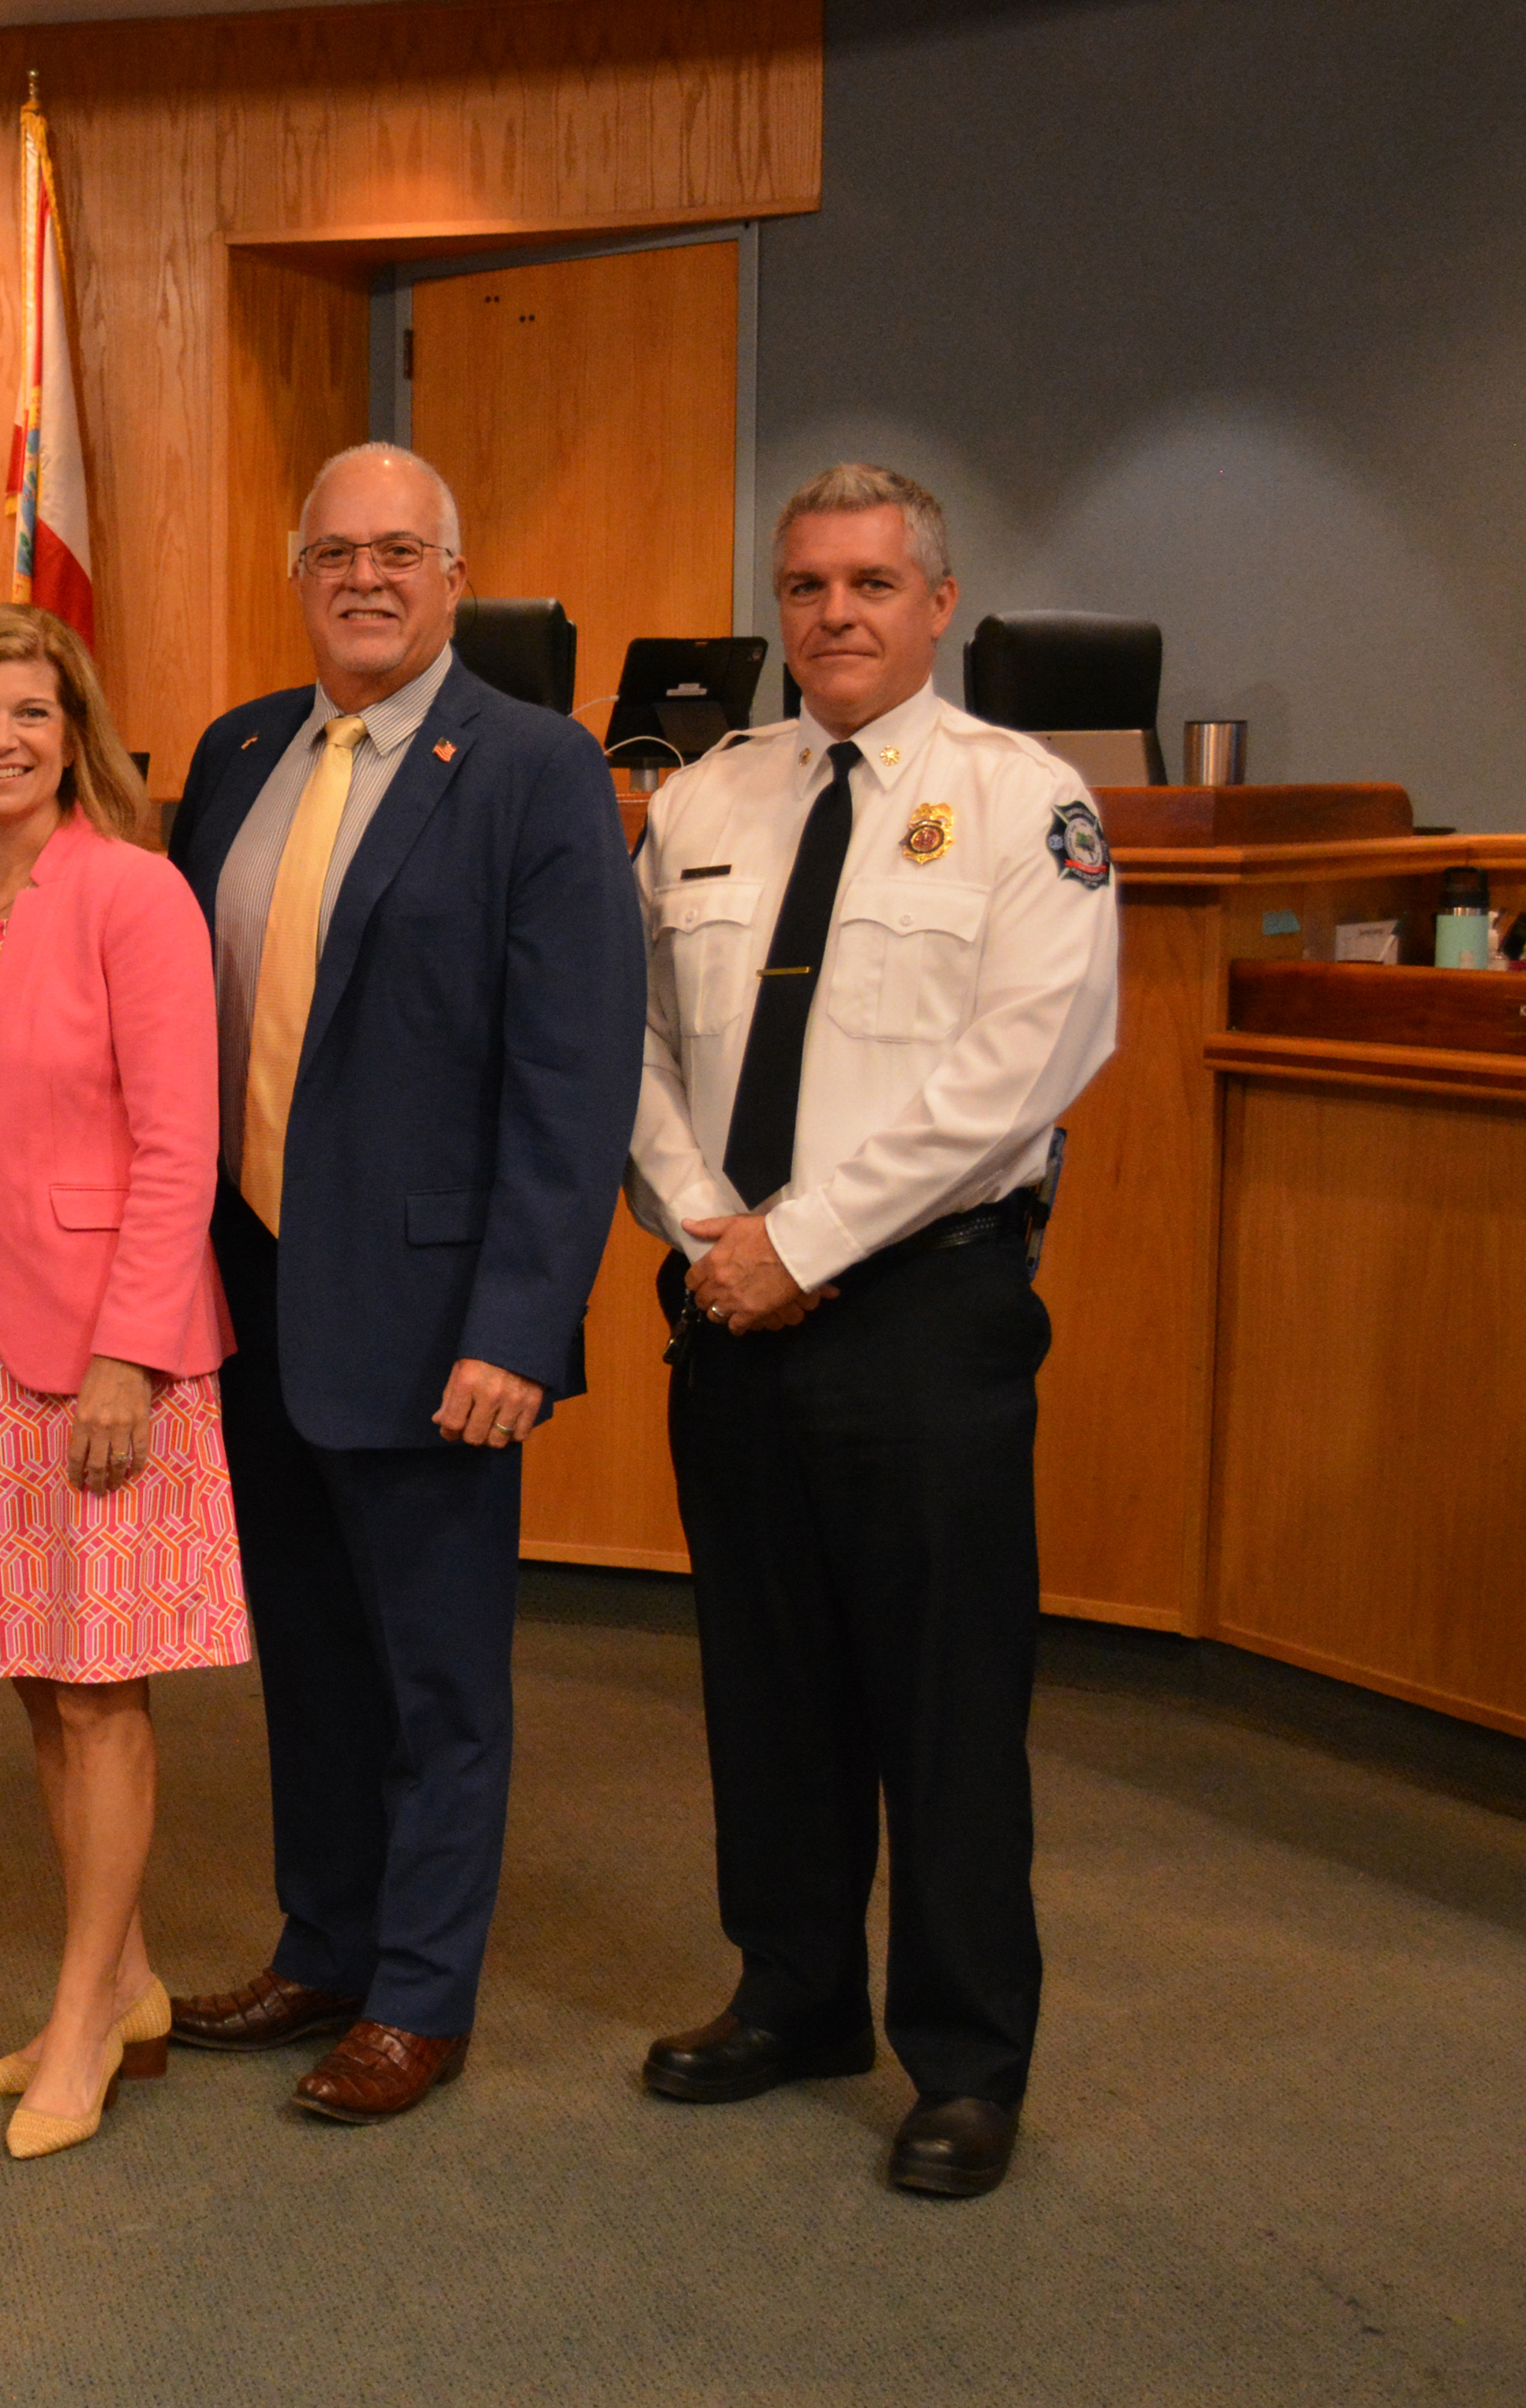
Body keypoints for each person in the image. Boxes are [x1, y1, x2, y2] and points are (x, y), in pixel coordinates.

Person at [625, 463, 1118, 2199]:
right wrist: (710, 1227)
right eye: (807, 585)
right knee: (764, 1679)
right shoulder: (708, 801)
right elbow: (639, 1049)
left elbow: (1023, 1072)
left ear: (937, 602)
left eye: (869, 584)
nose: (834, 614)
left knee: (945, 1699)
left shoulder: (1024, 802)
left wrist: (807, 1239)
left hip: (926, 1312)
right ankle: (796, 1994)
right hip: (729, 1303)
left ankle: (968, 2059)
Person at [163, 441, 645, 2120]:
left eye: (399, 554)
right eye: (335, 554)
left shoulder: (534, 766)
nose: (365, 580)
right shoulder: (235, 756)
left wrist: (522, 1320)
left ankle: (422, 1996)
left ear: (454, 575)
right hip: (254, 1303)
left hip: (440, 1320)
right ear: (298, 574)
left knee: (440, 1676)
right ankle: (328, 1943)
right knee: (305, 1649)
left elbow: (573, 1075)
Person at [0, 606, 246, 2162]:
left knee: (101, 1694)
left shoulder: (134, 896)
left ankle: (84, 2015)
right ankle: (129, 1978)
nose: (1, 739)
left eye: (31, 712)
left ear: (75, 734)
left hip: (103, 1362)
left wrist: (126, 1357)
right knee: (41, 1683)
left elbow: (180, 1147)